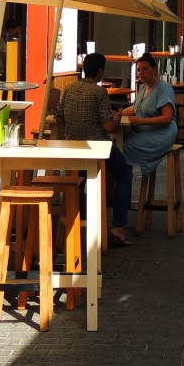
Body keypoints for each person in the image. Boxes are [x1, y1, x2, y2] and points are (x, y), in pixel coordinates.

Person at [55, 52, 133, 247]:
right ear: (100, 71)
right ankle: (118, 227)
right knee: (124, 174)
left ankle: (75, 218)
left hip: (74, 146)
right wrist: (116, 117)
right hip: (97, 146)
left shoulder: (70, 88)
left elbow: (58, 117)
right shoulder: (99, 92)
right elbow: (108, 127)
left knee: (80, 179)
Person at [122, 52, 178, 225]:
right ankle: (120, 194)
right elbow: (135, 108)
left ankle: (119, 192)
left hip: (162, 133)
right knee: (120, 143)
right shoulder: (143, 88)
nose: (141, 73)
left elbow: (167, 117)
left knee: (120, 148)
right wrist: (117, 114)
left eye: (145, 69)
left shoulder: (163, 88)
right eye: (139, 70)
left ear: (154, 69)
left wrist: (141, 120)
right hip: (144, 131)